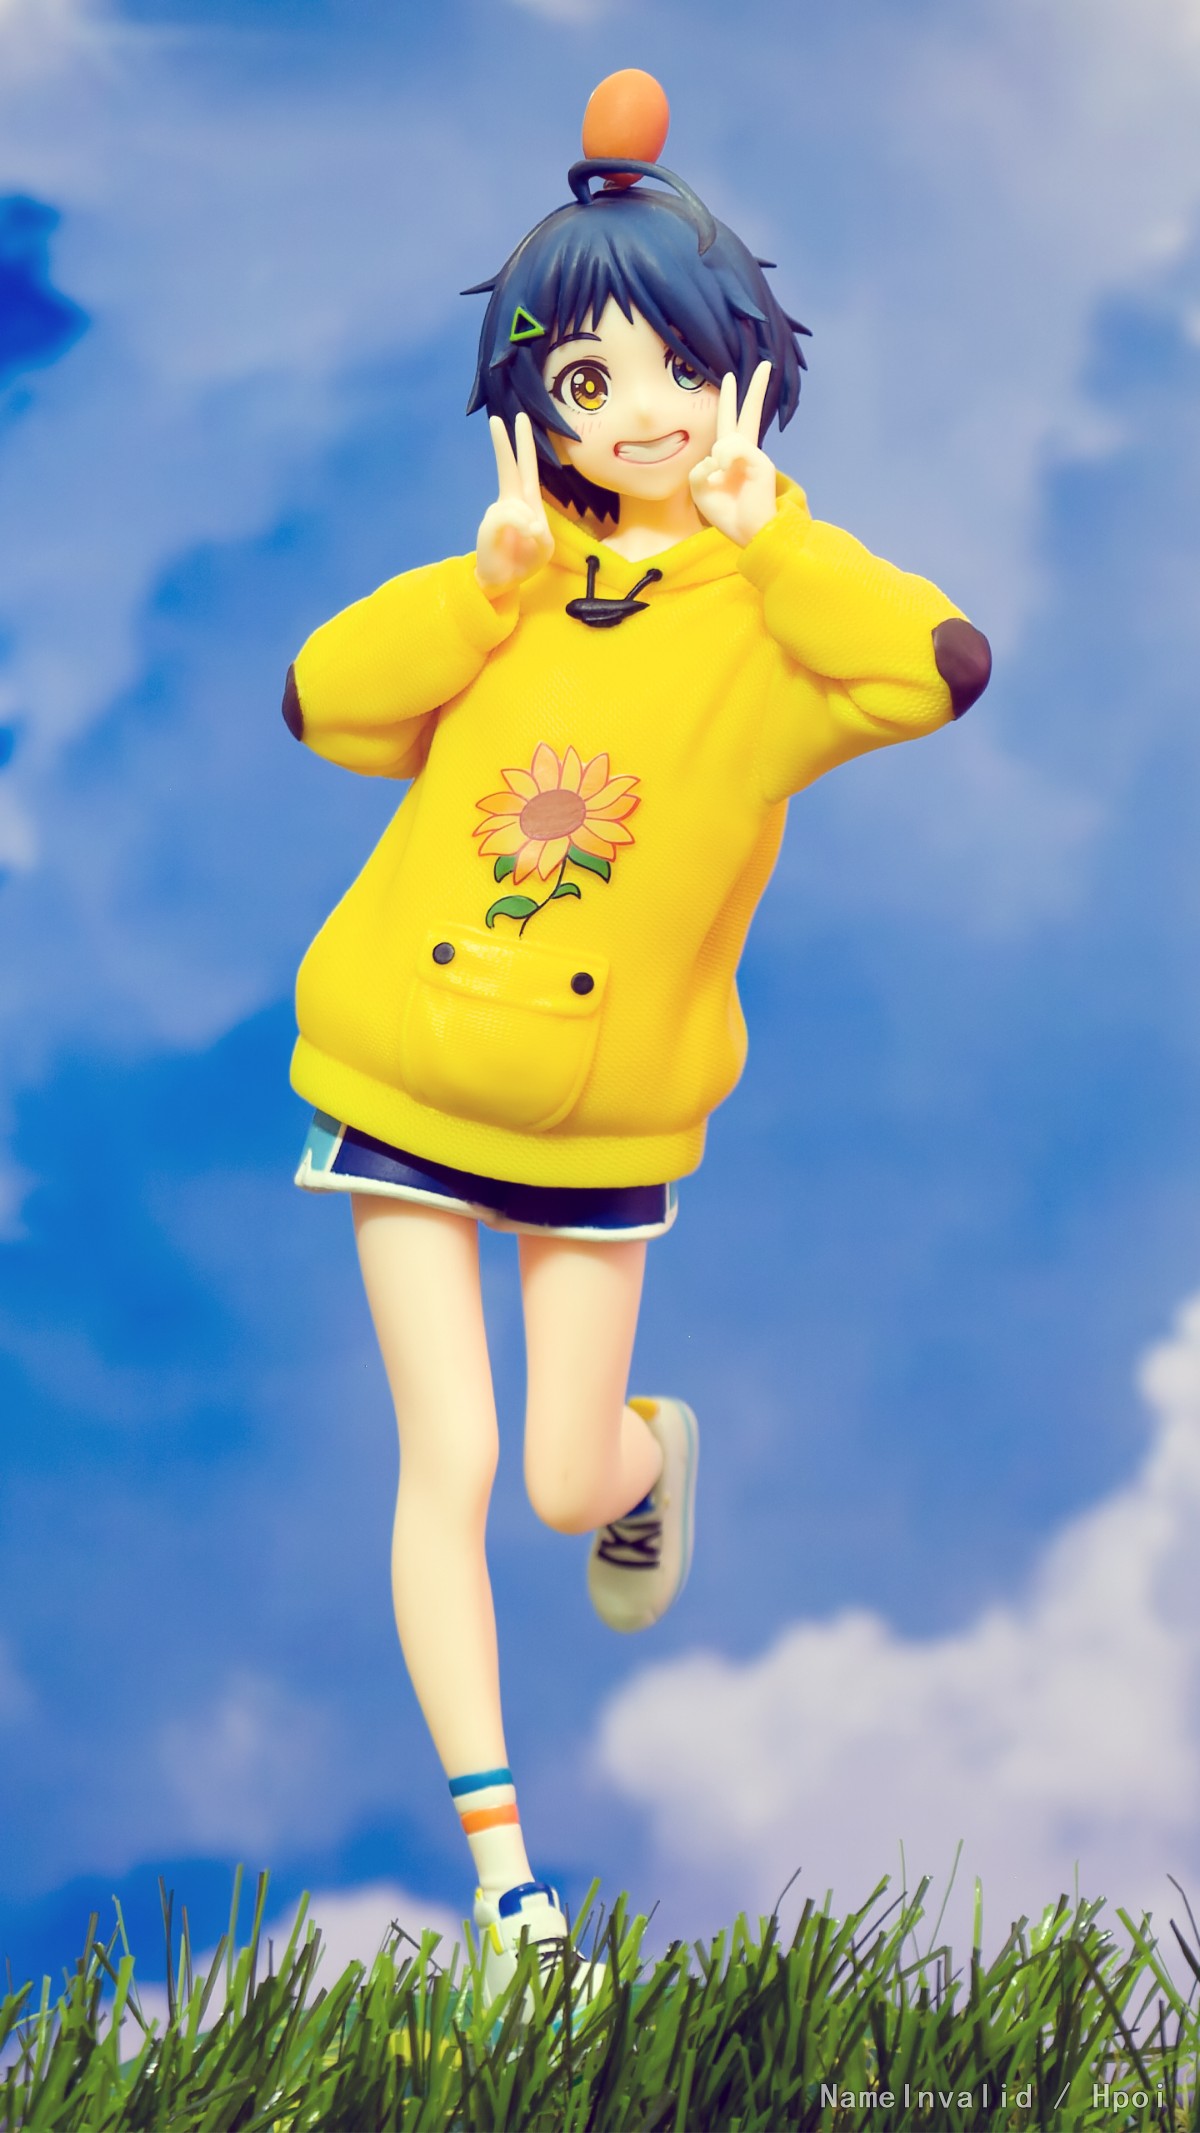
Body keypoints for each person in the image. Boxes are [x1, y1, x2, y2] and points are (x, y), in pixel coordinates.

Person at [281, 70, 991, 2008]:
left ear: (743, 368)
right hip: (400, 1072)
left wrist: (775, 543)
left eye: (676, 365)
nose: (641, 411)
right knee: (446, 1460)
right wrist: (482, 585)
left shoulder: (774, 627)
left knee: (554, 1477)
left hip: (602, 1123)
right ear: (536, 405)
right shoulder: (508, 588)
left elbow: (932, 670)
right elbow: (324, 705)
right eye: (589, 379)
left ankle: (641, 1455)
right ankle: (511, 1893)